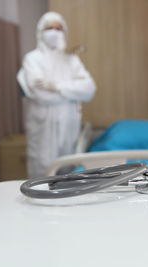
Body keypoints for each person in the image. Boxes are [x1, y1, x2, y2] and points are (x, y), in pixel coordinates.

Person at [17, 12, 96, 178]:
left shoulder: (71, 60)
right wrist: (73, 91)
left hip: (69, 122)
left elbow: (89, 89)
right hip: (43, 123)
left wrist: (56, 86)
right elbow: (41, 95)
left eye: (59, 28)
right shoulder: (32, 59)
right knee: (42, 169)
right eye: (50, 28)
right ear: (40, 32)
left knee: (68, 167)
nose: (55, 32)